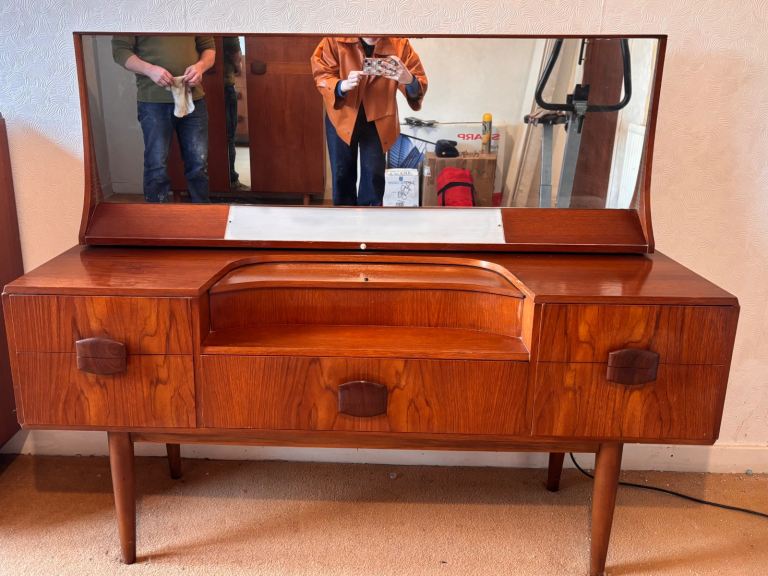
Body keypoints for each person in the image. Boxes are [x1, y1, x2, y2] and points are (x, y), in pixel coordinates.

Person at [311, 37, 427, 206]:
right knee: (341, 174)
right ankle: (344, 225)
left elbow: (418, 86)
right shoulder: (334, 40)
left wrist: (409, 80)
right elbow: (321, 73)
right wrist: (340, 86)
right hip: (341, 115)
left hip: (379, 118)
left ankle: (370, 226)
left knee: (374, 177)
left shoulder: (399, 45)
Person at [112, 35, 216, 203]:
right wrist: (150, 69)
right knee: (156, 164)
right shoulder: (132, 11)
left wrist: (200, 67)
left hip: (193, 98)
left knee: (198, 163)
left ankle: (202, 213)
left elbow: (208, 47)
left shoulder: (191, 11)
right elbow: (120, 50)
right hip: (153, 102)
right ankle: (156, 218)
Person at [222, 36, 246, 191]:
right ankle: (231, 180)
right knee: (228, 136)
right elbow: (235, 52)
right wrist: (238, 66)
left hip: (200, 85)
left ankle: (219, 180)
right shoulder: (228, 29)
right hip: (225, 85)